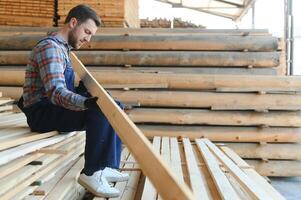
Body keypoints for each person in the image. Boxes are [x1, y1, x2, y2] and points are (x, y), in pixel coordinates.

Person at [17, 4, 128, 198]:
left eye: (91, 34)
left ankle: (107, 166)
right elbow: (55, 92)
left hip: (54, 109)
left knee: (113, 106)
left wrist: (87, 92)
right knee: (99, 110)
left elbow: (64, 90)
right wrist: (86, 103)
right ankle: (92, 172)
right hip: (41, 113)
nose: (88, 39)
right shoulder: (49, 48)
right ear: (73, 22)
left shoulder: (63, 50)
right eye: (87, 32)